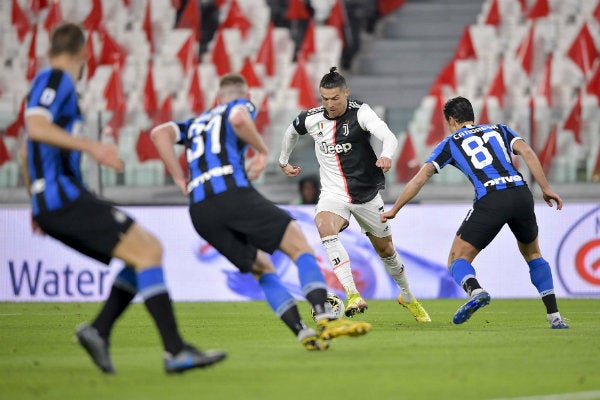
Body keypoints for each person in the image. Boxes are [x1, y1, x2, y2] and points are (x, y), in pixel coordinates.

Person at [20, 22, 226, 374]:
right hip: (62, 198)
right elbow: (36, 127)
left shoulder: (54, 83)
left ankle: (99, 331)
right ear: (85, 52)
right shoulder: (56, 79)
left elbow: (26, 153)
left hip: (55, 200)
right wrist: (94, 147)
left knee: (144, 251)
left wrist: (35, 203)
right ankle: (174, 351)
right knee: (148, 250)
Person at [150, 73, 371, 351]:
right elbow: (239, 119)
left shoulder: (194, 123)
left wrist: (181, 180)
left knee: (263, 268)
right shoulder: (238, 106)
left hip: (199, 210)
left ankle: (303, 333)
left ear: (217, 98)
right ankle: (325, 317)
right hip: (231, 193)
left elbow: (159, 134)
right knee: (298, 245)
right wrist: (262, 151)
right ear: (245, 97)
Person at [380, 96, 569, 329]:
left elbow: (420, 178)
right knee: (533, 255)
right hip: (521, 193)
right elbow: (528, 153)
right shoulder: (500, 129)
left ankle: (475, 290)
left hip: (491, 197)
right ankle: (555, 317)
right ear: (472, 116)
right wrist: (546, 188)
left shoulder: (450, 143)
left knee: (457, 259)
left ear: (451, 120)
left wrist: (395, 209)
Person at [279, 67, 430, 322]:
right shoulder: (312, 118)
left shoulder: (361, 113)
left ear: (346, 93)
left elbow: (388, 137)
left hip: (366, 195)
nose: (330, 104)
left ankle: (407, 295)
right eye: (324, 99)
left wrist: (386, 155)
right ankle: (352, 294)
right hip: (333, 193)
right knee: (324, 227)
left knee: (386, 251)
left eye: (335, 98)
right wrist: (283, 160)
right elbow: (292, 131)